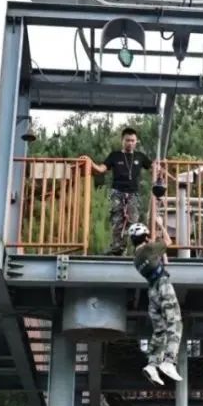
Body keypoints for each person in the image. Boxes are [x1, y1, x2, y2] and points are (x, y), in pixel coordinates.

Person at [83, 127, 157, 256]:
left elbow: (153, 169)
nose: (130, 143)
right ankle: (117, 248)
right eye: (127, 140)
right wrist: (90, 162)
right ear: (122, 140)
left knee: (133, 222)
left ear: (136, 141)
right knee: (117, 220)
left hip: (133, 194)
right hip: (117, 192)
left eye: (133, 140)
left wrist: (159, 167)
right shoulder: (115, 156)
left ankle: (135, 249)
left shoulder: (140, 156)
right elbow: (101, 169)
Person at [128, 222, 183, 385]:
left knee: (160, 331)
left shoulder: (136, 259)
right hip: (162, 284)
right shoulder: (149, 248)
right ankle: (169, 361)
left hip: (152, 291)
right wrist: (161, 225)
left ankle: (152, 365)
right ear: (145, 237)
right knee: (175, 323)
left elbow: (163, 262)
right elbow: (168, 241)